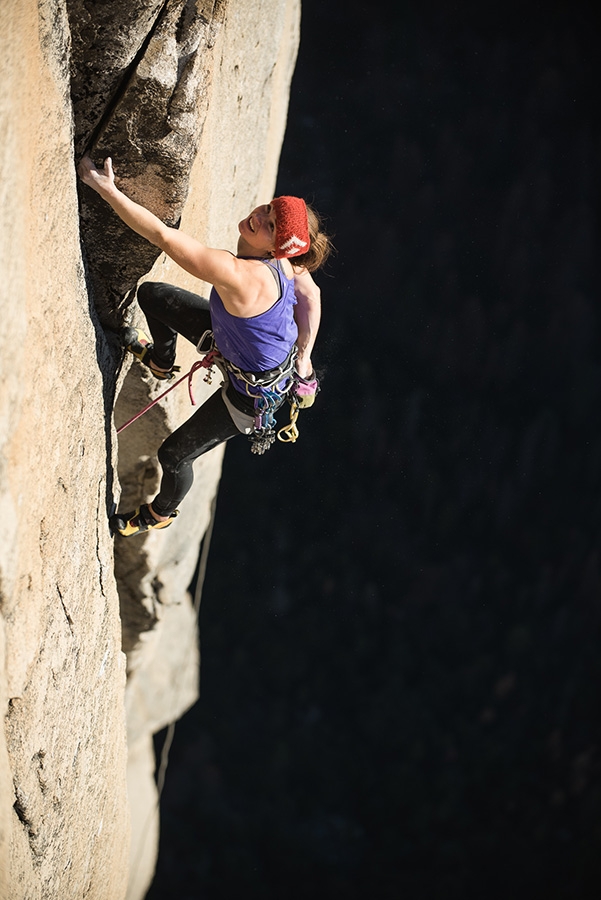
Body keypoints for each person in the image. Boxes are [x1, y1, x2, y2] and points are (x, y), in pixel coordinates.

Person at [77, 156, 332, 537]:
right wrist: (305, 359)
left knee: (174, 455)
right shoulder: (287, 261)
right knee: (154, 296)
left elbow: (163, 237)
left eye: (270, 226)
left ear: (275, 248)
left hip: (252, 396)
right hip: (240, 349)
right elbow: (311, 296)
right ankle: (161, 362)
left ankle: (158, 513)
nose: (258, 218)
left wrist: (106, 189)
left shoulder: (240, 275)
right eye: (268, 210)